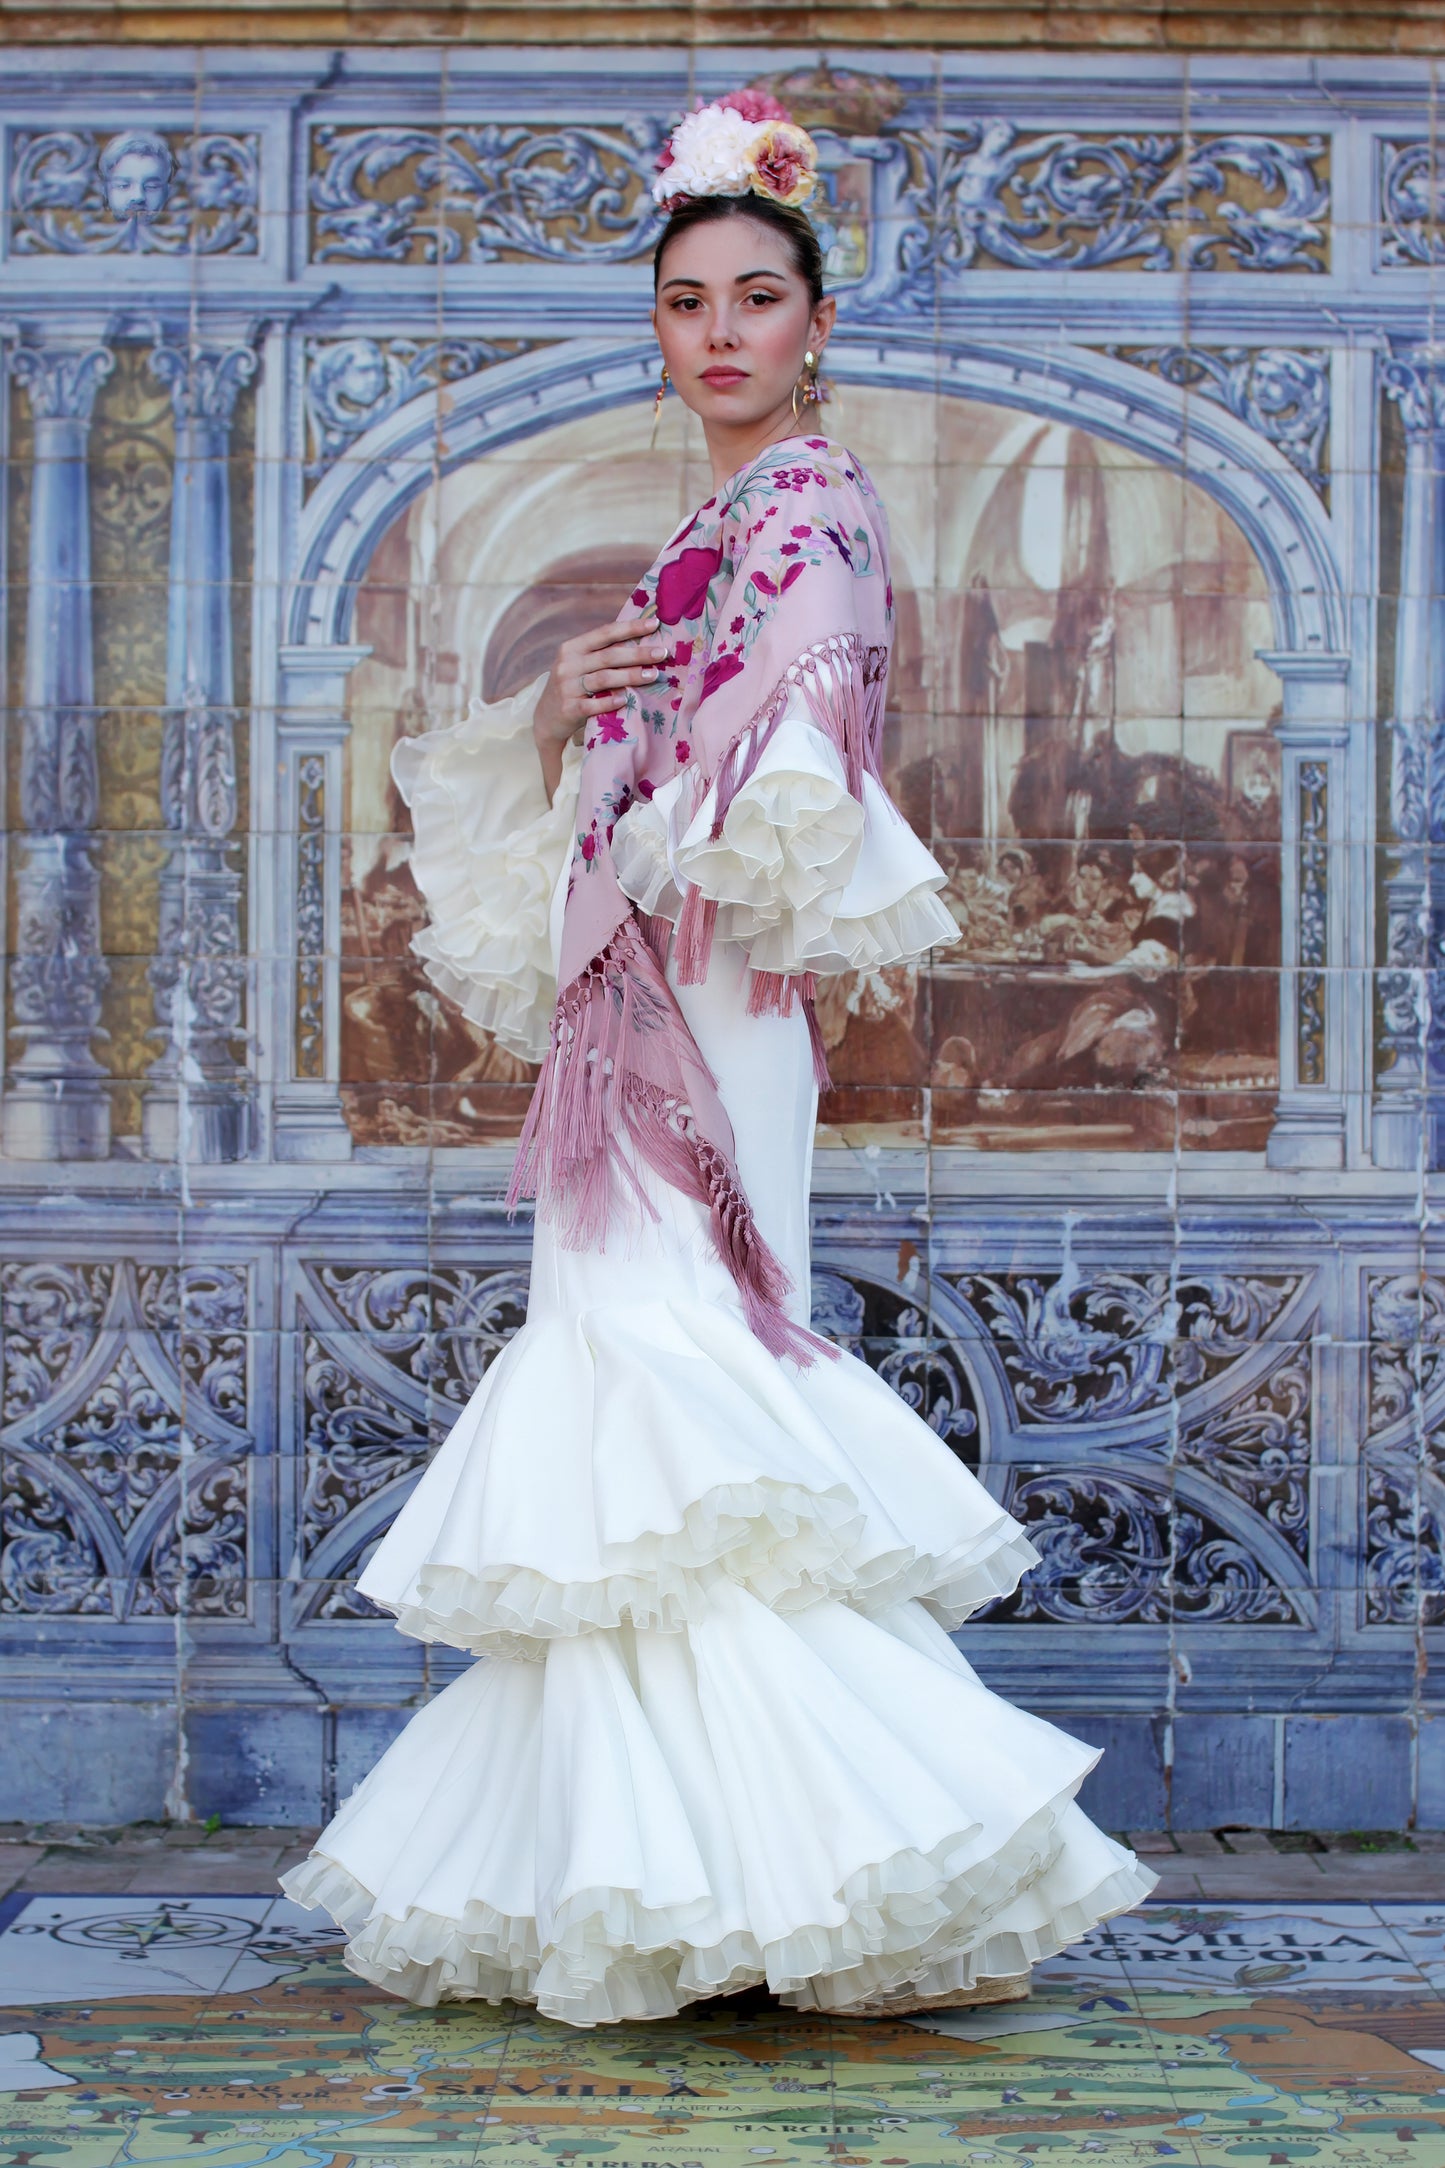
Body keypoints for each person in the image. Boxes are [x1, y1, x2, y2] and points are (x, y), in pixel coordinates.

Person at [280, 89, 1155, 2029]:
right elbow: (682, 759)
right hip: (652, 1000)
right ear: (662, 332)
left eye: (759, 296)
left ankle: (784, 1868)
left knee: (677, 1409)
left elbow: (794, 775)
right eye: (689, 303)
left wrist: (643, 776)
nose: (725, 332)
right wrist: (560, 712)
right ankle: (680, 1880)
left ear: (816, 325)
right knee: (647, 1421)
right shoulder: (724, 515)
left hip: (709, 1000)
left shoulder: (810, 505)